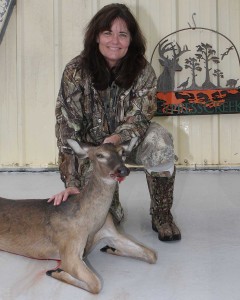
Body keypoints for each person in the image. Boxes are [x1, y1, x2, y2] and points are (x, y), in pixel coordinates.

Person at [48, 3, 181, 242]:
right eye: (107, 32)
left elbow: (140, 116)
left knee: (160, 141)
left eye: (123, 34)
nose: (115, 41)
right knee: (104, 219)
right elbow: (67, 128)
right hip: (96, 152)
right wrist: (72, 182)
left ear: (131, 39)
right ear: (96, 36)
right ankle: (113, 208)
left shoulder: (143, 71)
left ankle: (162, 214)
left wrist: (118, 138)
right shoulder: (75, 72)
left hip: (128, 143)